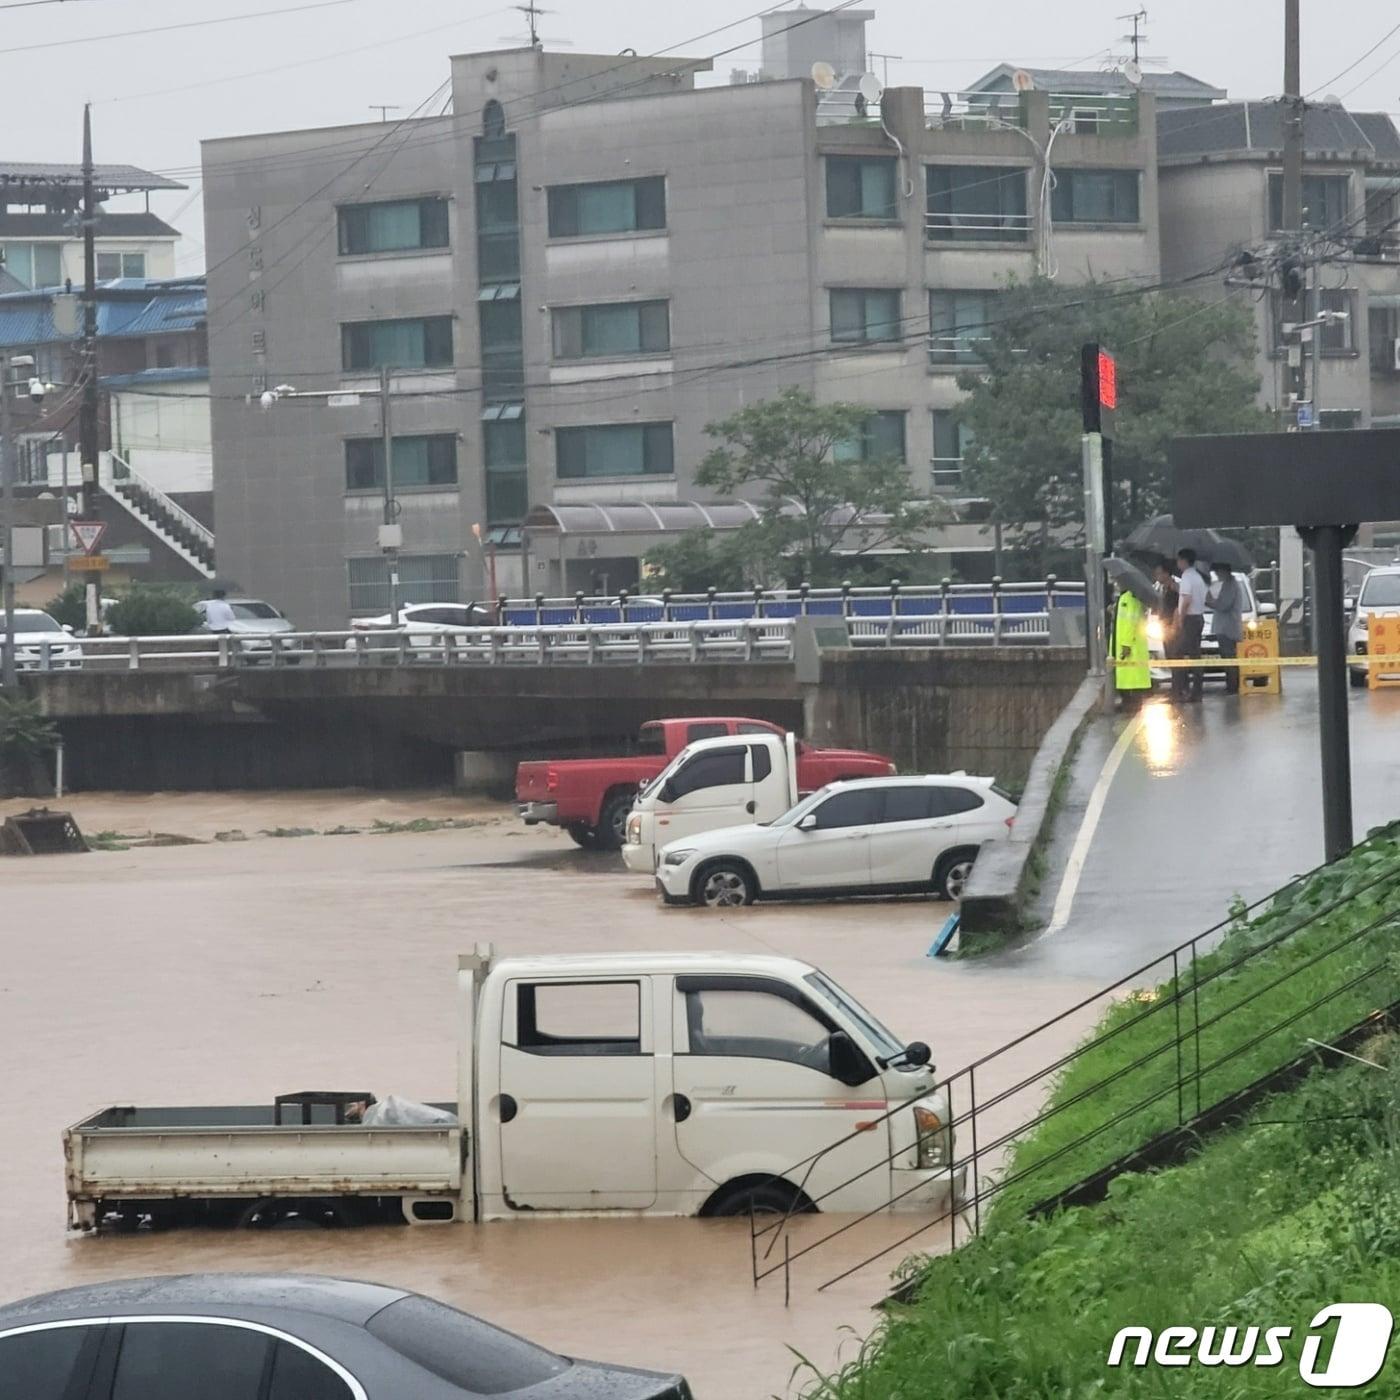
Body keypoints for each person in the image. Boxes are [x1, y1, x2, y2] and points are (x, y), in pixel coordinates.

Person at [1173, 547, 1207, 702]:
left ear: (1184, 561)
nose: (1178, 563)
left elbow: (1186, 600)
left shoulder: (1186, 577)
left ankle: (1182, 689)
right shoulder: (1198, 577)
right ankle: (1196, 690)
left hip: (1190, 619)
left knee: (1178, 652)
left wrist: (1180, 617)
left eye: (1179, 560)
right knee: (1195, 654)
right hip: (1199, 617)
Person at [1208, 560, 1243, 695]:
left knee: (1229, 657)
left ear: (1224, 571)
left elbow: (1223, 605)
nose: (1217, 575)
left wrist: (1210, 601)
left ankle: (1233, 687)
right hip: (1225, 627)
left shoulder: (1231, 585)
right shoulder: (1228, 584)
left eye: (1218, 572)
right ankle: (1231, 685)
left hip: (1228, 628)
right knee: (1227, 657)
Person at [1113, 585, 1152, 703]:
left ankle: (1130, 704)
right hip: (1130, 644)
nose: (1116, 584)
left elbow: (1130, 623)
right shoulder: (1131, 598)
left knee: (1130, 680)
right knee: (1132, 680)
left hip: (1129, 646)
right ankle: (1132, 703)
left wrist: (1126, 644)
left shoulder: (1128, 599)